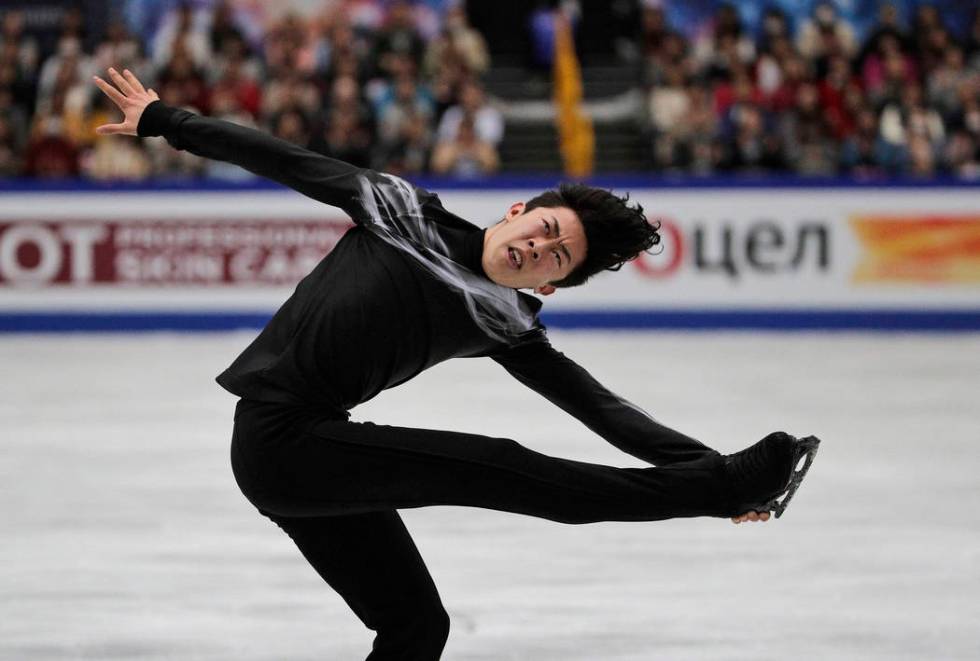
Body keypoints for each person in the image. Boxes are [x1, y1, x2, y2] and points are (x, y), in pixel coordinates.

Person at [94, 67, 819, 661]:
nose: (538, 247)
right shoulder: (398, 208)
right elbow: (285, 159)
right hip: (278, 436)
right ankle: (716, 488)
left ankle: (718, 483)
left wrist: (705, 459)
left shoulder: (506, 321)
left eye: (555, 256)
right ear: (513, 212)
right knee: (503, 463)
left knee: (417, 627)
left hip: (312, 451)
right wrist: (168, 121)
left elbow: (603, 410)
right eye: (541, 230)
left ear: (548, 287)